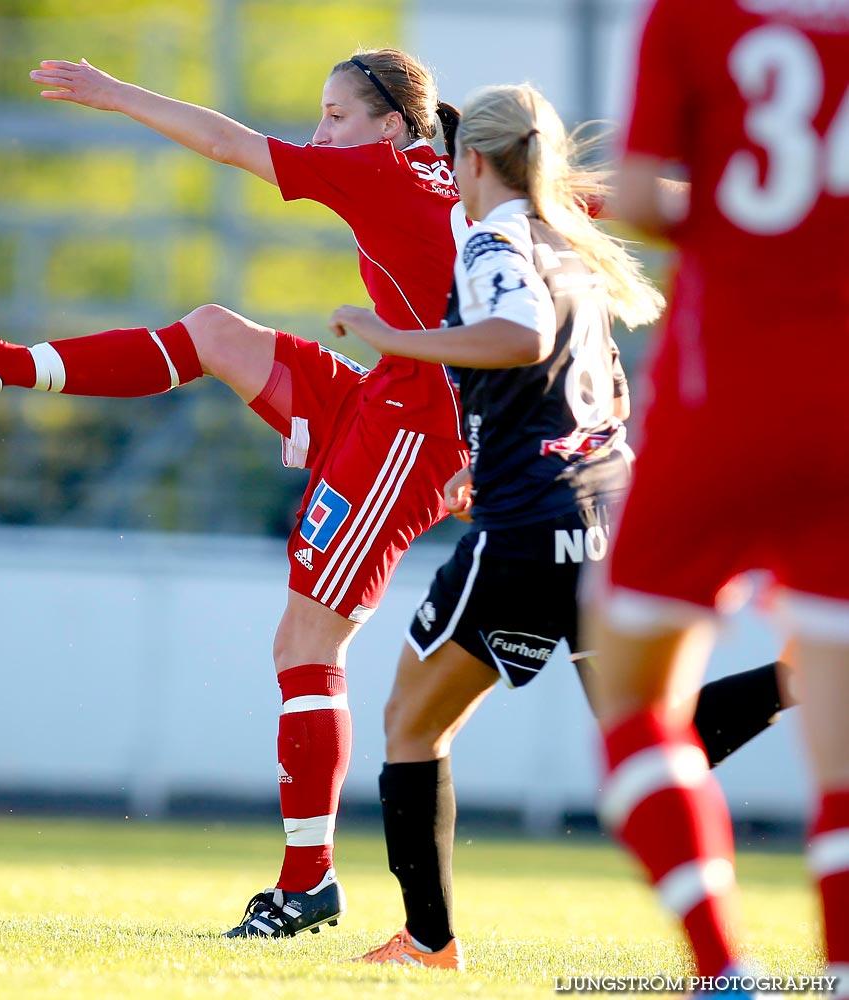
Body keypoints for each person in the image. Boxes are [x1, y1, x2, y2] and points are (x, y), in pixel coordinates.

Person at [0, 47, 471, 938]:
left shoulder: (385, 171)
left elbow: (228, 144)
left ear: (388, 126)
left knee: (306, 639)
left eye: (335, 115)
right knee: (217, 333)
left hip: (413, 436)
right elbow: (584, 205)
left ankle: (307, 883)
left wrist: (114, 95)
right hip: (390, 394)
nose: (319, 132)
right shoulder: (452, 169)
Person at [328, 82, 794, 971]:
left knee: (410, 726)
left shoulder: (496, 239)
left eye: (455, 156)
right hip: (604, 515)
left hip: (530, 533)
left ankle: (429, 943)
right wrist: (492, 452)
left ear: (472, 160)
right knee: (659, 733)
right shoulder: (565, 243)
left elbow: (518, 336)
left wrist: (391, 336)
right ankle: (797, 677)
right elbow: (600, 387)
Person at [586, 0, 849, 992]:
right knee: (840, 757)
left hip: (721, 401)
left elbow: (652, 198)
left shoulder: (688, 14)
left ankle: (721, 969)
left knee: (632, 696)